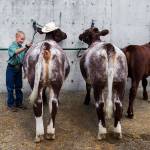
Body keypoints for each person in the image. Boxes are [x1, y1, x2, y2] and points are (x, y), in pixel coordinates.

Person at [6, 31, 32, 112]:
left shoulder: (22, 47)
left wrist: (28, 48)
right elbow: (16, 52)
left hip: (19, 69)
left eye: (23, 39)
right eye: (21, 39)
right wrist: (25, 47)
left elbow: (24, 58)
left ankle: (19, 103)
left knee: (18, 87)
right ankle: (10, 105)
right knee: (10, 88)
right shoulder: (12, 46)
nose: (22, 40)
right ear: (16, 37)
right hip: (11, 69)